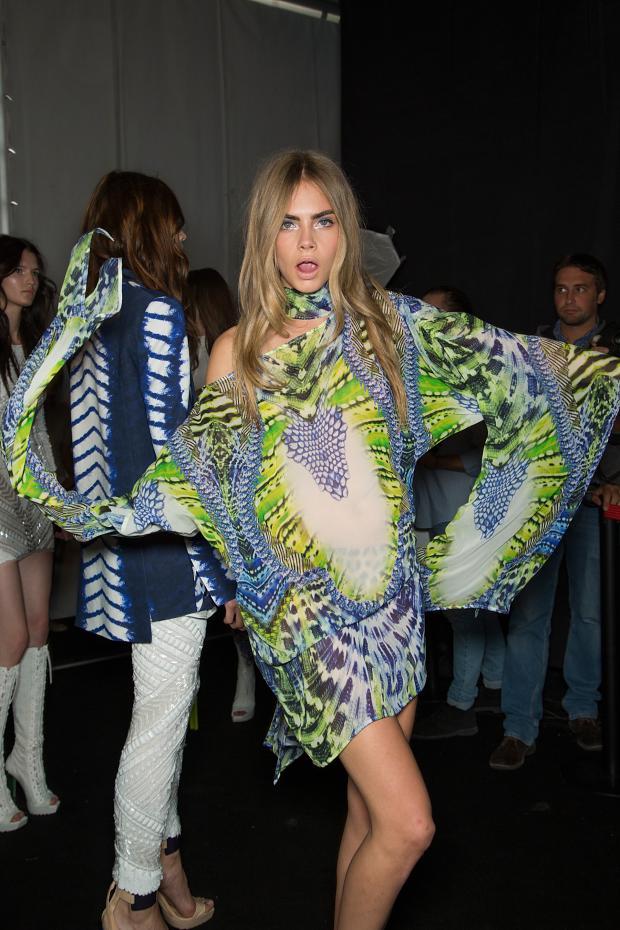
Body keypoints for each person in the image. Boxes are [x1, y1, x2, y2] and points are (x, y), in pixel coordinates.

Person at [5, 152, 620, 930]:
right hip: (312, 619)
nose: (306, 241)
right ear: (266, 235)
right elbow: (210, 487)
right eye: (289, 223)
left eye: (323, 221)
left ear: (344, 231)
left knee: (367, 814)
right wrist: (229, 572)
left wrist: (585, 388)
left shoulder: (391, 328)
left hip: (394, 604)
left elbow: (524, 373)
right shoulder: (238, 352)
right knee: (409, 824)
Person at [66, 172, 236, 929]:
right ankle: (132, 893)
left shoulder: (88, 313)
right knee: (160, 723)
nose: (184, 237)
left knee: (157, 713)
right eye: (175, 224)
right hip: (170, 549)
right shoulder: (160, 312)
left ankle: (167, 868)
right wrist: (225, 561)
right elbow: (178, 458)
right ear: (148, 228)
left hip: (119, 552)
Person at [489, 253, 620, 771]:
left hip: (594, 501)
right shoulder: (534, 347)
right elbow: (511, 417)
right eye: (562, 289)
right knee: (528, 617)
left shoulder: (615, 349)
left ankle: (584, 710)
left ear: (600, 295)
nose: (570, 298)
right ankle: (518, 727)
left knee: (589, 613)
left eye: (581, 289)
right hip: (539, 500)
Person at [413, 286, 504, 739]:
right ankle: (495, 687)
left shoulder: (477, 373)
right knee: (473, 610)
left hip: (463, 508)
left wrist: (435, 460)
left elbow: (494, 446)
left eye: (431, 312)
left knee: (461, 609)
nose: (420, 318)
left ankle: (462, 703)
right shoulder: (420, 369)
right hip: (428, 507)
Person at [0, 235, 60, 832]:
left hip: (34, 491)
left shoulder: (36, 343)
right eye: (18, 270)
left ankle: (28, 760)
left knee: (39, 631)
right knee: (11, 636)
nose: (28, 280)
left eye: (34, 272)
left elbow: (41, 429)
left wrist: (57, 496)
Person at [186, 268, 255, 722]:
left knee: (250, 590)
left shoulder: (234, 347)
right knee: (231, 596)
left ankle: (256, 676)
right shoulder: (185, 347)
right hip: (202, 479)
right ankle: (244, 670)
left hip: (239, 479)